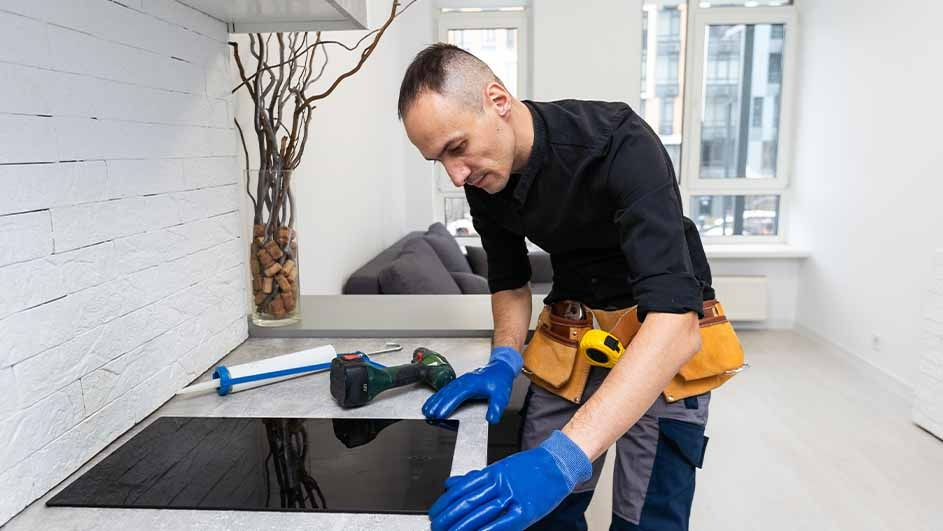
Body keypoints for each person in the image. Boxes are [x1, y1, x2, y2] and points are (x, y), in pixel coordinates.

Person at [398, 43, 715, 531]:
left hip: (659, 331)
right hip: (576, 327)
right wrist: (504, 359)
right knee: (545, 516)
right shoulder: (484, 179)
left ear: (498, 101)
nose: (455, 175)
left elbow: (677, 326)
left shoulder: (619, 143)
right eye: (438, 159)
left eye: (457, 148)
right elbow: (509, 280)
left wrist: (561, 458)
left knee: (646, 518)